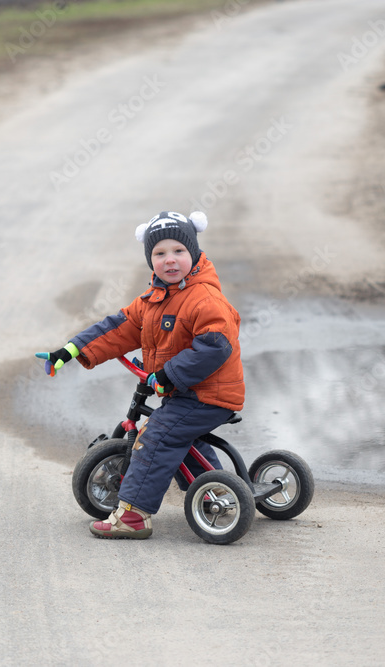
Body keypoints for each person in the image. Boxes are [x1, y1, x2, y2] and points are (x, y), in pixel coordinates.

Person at [36, 211, 245, 539]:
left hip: (207, 394)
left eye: (179, 251)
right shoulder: (155, 300)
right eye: (160, 253)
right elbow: (118, 327)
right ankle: (213, 491)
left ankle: (133, 517)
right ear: (151, 260)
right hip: (187, 392)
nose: (170, 260)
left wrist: (168, 375)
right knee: (178, 435)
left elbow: (215, 346)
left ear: (195, 253)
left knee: (156, 437)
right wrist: (72, 350)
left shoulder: (204, 298)